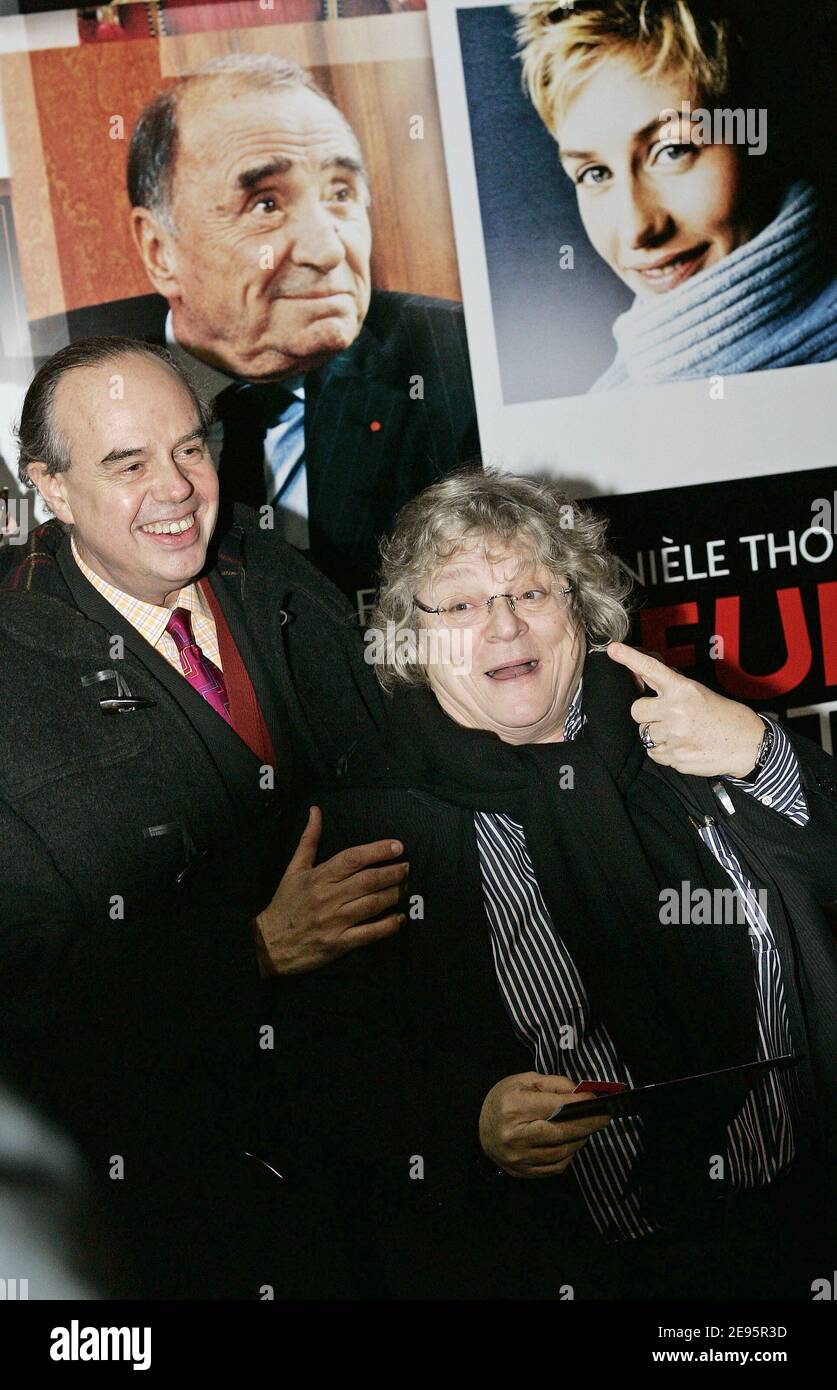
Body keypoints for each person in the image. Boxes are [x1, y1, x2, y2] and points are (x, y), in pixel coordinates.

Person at [266, 470, 837, 1300]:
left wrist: (758, 749)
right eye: (458, 605)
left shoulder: (687, 740)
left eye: (532, 589)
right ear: (409, 640)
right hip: (562, 1268)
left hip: (798, 1227)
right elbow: (321, 1072)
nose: (502, 624)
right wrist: (469, 1119)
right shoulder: (361, 825)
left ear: (582, 610)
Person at [0, 336, 415, 1297]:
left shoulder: (280, 584)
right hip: (188, 1218)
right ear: (50, 489)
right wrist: (253, 950)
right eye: (127, 462)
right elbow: (17, 978)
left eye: (190, 448)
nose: (178, 487)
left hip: (392, 1156)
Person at [70, 51, 478, 606]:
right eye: (265, 203)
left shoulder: (459, 360)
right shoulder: (75, 398)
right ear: (160, 250)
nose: (327, 247)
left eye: (340, 194)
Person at [513, 0, 837, 390]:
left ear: (764, 135)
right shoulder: (601, 410)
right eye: (595, 173)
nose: (637, 229)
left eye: (673, 150)